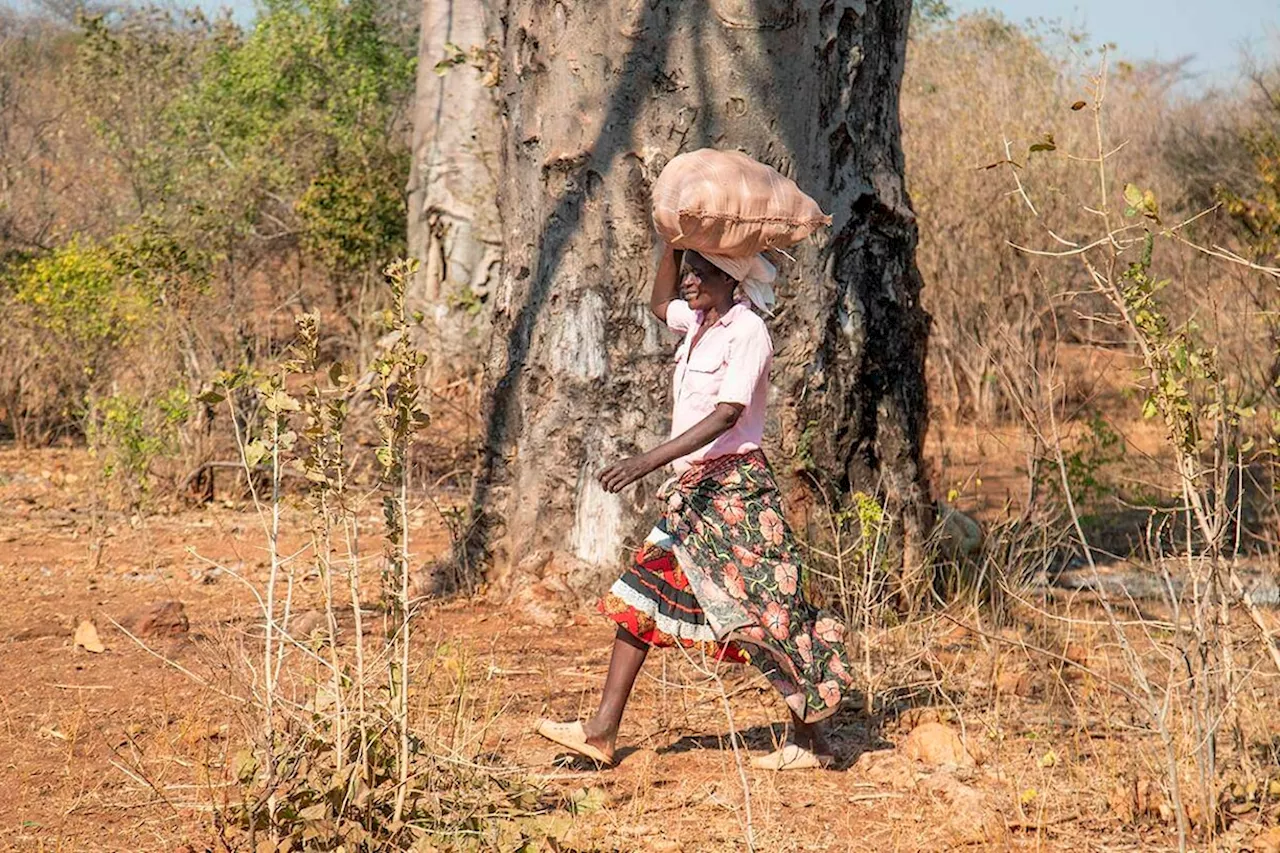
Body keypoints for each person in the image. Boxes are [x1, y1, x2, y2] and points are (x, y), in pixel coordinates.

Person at [536, 243, 855, 771]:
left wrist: (645, 461)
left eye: (701, 273)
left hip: (736, 494)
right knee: (641, 592)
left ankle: (813, 740)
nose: (688, 281)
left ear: (732, 280)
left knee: (773, 612)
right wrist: (674, 242)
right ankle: (601, 732)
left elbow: (729, 413)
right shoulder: (699, 322)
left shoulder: (747, 331)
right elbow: (660, 304)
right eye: (688, 273)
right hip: (693, 493)